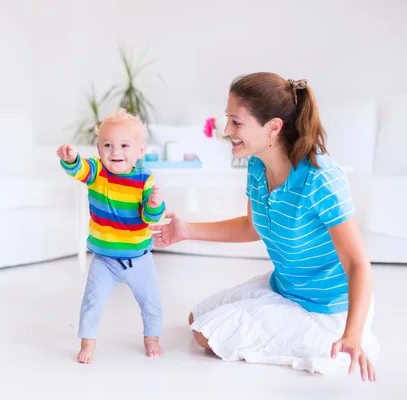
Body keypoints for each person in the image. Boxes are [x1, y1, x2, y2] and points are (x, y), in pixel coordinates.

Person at [150, 72, 379, 381]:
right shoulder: (257, 164)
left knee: (205, 336)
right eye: (227, 119)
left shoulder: (320, 178)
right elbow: (252, 226)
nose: (226, 130)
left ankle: (335, 342)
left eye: (237, 122)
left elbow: (357, 263)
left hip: (326, 310)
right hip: (285, 288)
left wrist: (352, 333)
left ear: (273, 127)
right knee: (197, 318)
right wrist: (186, 230)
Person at [57, 108, 166, 364]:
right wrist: (72, 159)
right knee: (92, 302)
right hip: (104, 260)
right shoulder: (97, 172)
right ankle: (88, 341)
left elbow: (151, 217)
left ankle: (152, 338)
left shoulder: (144, 180)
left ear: (140, 151)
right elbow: (79, 170)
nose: (116, 152)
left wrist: (154, 203)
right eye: (108, 145)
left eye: (125, 145)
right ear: (98, 148)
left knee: (151, 303)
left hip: (139, 260)